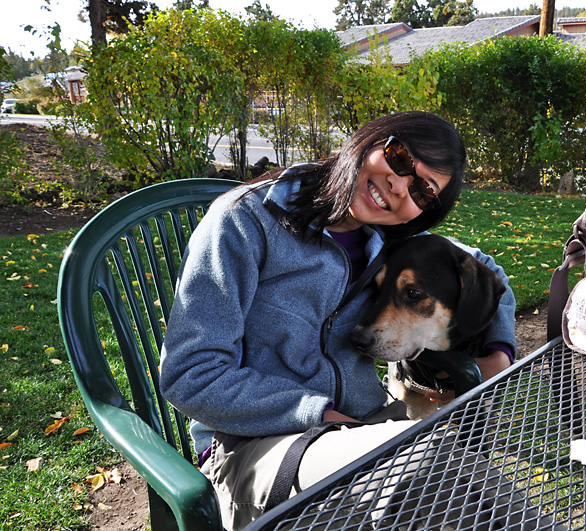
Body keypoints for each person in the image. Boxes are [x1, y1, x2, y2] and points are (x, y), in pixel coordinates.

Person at [159, 111, 517, 530]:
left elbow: (486, 272)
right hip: (253, 448)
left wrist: (498, 354)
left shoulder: (391, 240)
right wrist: (319, 414)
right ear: (370, 140)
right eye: (399, 158)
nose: (400, 186)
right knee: (438, 469)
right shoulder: (244, 222)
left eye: (423, 190)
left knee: (464, 485)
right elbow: (190, 374)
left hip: (366, 428)